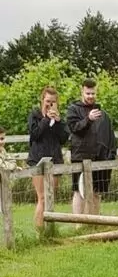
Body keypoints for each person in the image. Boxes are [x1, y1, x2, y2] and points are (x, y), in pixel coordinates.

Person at [66, 78, 118, 215]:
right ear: (82, 91)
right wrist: (88, 119)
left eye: (93, 93)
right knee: (79, 191)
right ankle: (78, 224)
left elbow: (110, 136)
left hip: (99, 158)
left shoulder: (103, 115)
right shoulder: (73, 110)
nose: (90, 96)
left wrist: (111, 155)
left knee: (96, 192)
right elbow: (74, 128)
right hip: (80, 157)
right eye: (88, 93)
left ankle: (94, 222)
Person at [27, 86, 70, 229]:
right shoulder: (34, 115)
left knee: (51, 196)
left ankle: (50, 229)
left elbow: (64, 138)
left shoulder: (58, 119)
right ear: (42, 100)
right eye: (47, 101)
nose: (50, 104)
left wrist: (58, 122)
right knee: (42, 197)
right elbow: (34, 135)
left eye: (53, 102)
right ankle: (40, 230)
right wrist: (45, 119)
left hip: (55, 160)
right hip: (38, 160)